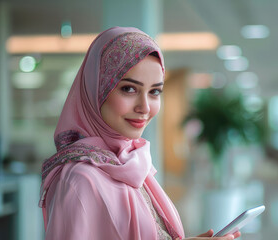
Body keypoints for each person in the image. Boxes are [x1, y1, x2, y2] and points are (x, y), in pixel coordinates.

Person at [39, 27, 241, 240]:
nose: (144, 107)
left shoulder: (130, 163)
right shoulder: (79, 180)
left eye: (154, 92)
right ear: (97, 90)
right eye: (129, 89)